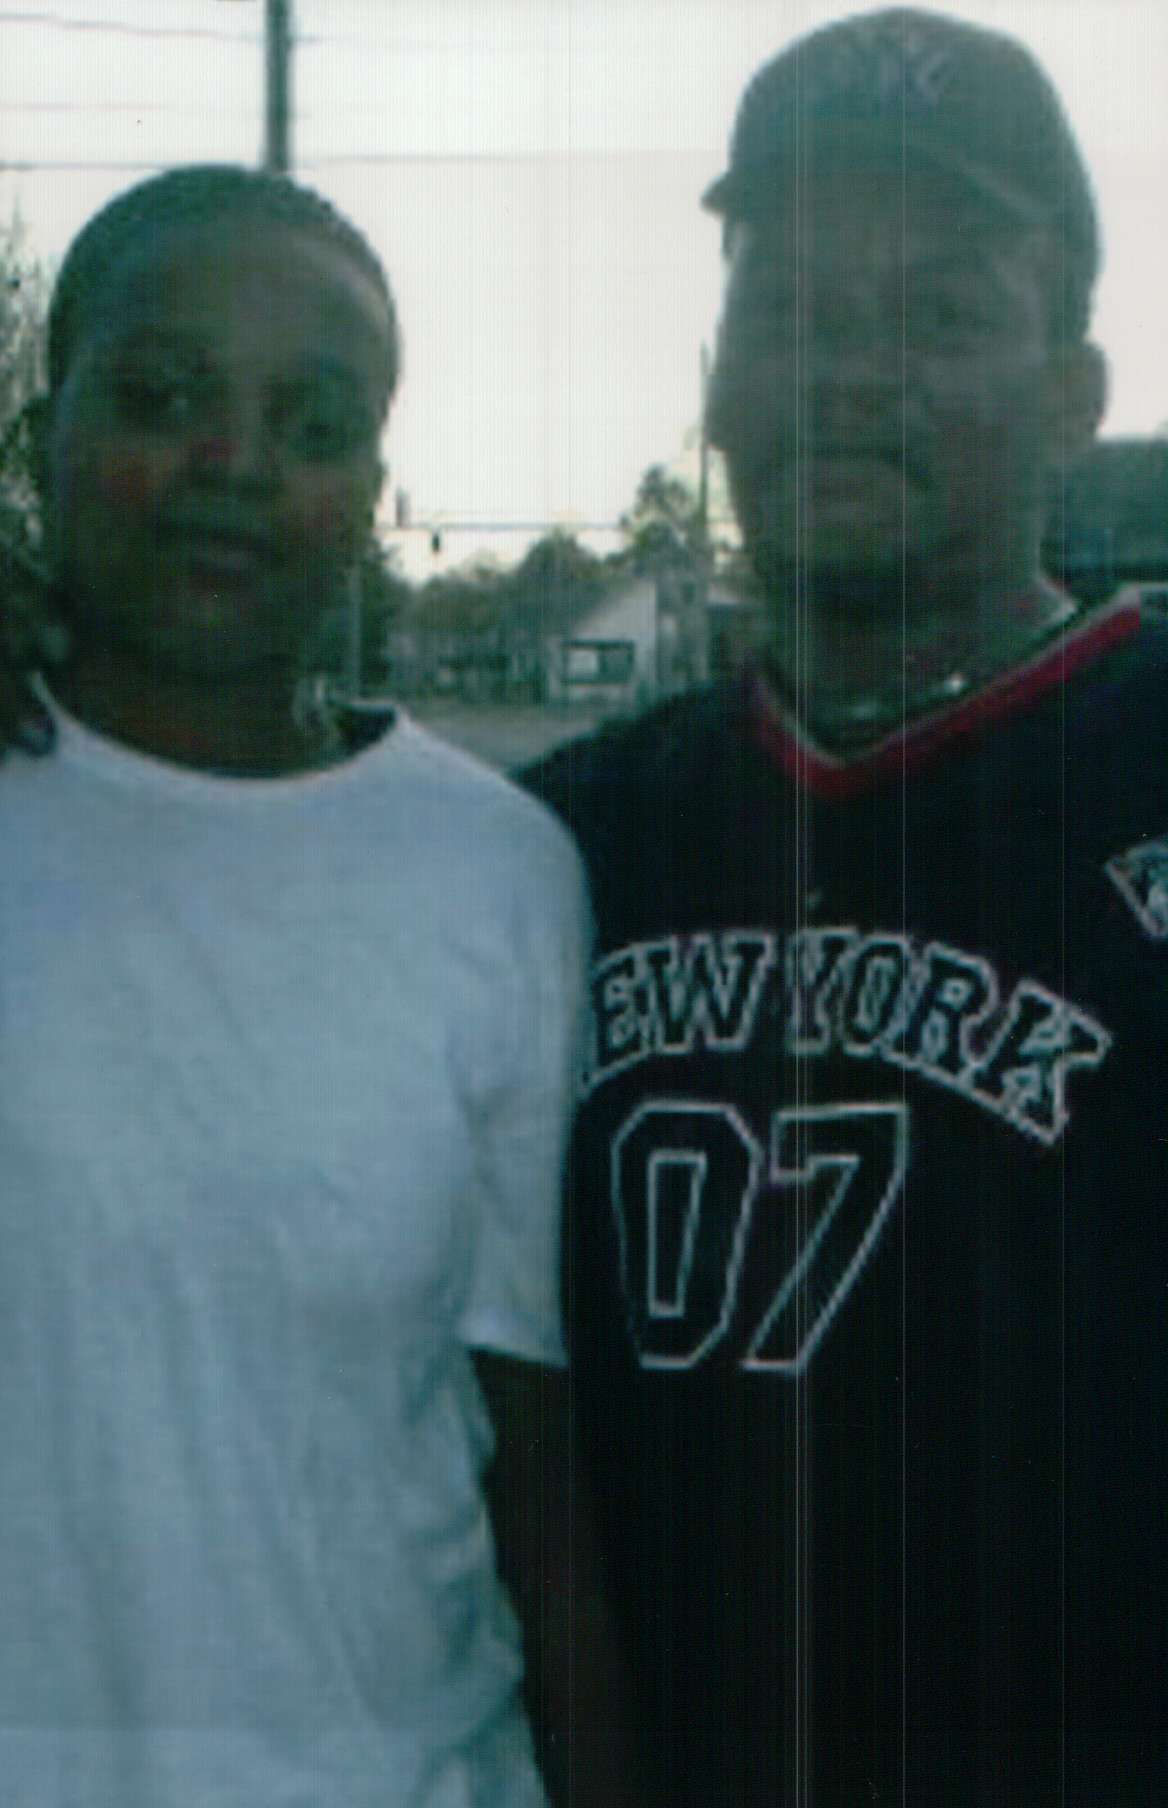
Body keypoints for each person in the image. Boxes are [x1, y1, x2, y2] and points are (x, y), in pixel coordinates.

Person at [526, 10, 1168, 1805]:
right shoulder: (554, 841)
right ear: (715, 373)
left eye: (940, 313)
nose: (848, 373)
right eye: (792, 308)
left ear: (1073, 392)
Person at [0, 163, 629, 1808]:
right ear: (42, 432)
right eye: (163, 397)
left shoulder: (497, 870)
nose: (235, 463)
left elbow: (535, 1473)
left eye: (315, 422)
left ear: (371, 494)